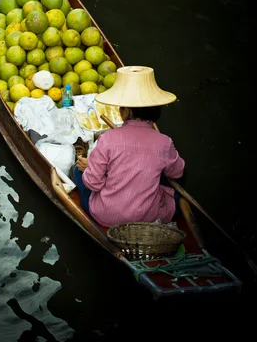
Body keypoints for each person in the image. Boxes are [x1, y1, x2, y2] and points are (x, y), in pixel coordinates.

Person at [72, 66, 185, 228]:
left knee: (77, 170)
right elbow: (178, 172)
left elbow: (93, 183)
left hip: (107, 216)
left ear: (124, 112)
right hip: (148, 217)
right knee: (171, 186)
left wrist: (92, 167)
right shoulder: (164, 142)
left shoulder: (108, 139)